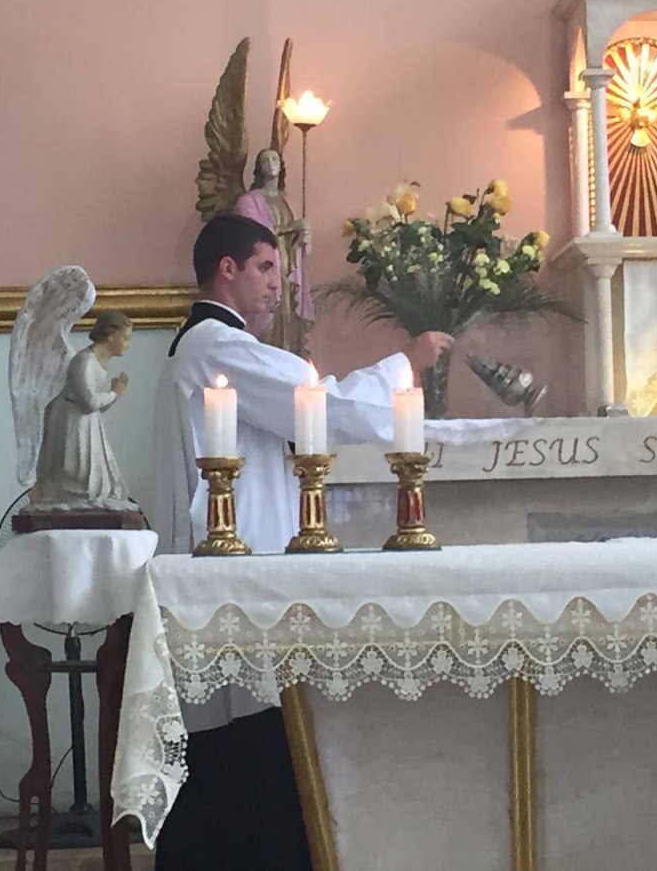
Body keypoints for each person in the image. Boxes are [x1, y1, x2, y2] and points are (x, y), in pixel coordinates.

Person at [150, 213, 451, 871]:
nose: (274, 288)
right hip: (230, 569)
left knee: (250, 744)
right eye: (264, 270)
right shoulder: (214, 346)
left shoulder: (212, 346)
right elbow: (322, 404)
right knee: (245, 745)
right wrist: (407, 363)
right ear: (225, 269)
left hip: (241, 561)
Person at [31, 310, 132, 507]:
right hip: (72, 422)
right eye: (125, 338)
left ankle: (86, 505)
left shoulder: (99, 360)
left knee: (99, 476)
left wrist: (113, 396)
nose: (127, 344)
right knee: (80, 473)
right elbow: (89, 402)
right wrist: (114, 393)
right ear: (110, 336)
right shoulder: (84, 361)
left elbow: (95, 408)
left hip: (87, 421)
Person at [234, 147, 313, 356]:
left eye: (275, 159)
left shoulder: (283, 200)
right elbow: (254, 235)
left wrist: (302, 236)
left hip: (287, 268)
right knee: (268, 322)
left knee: (288, 320)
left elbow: (293, 238)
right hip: (265, 271)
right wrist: (290, 228)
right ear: (259, 167)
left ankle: (288, 357)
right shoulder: (248, 201)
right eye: (265, 160)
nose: (271, 164)